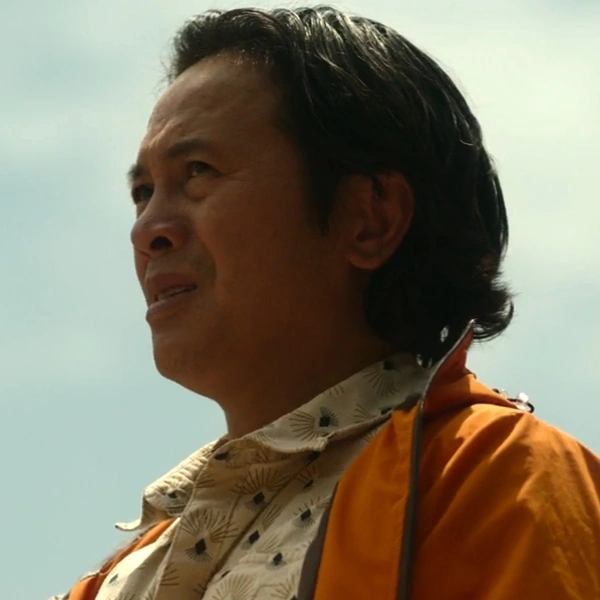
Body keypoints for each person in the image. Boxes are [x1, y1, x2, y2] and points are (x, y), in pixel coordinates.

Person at [52, 6, 600, 600]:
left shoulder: (494, 477)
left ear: (370, 219)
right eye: (142, 192)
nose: (147, 230)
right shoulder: (112, 582)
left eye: (198, 172)